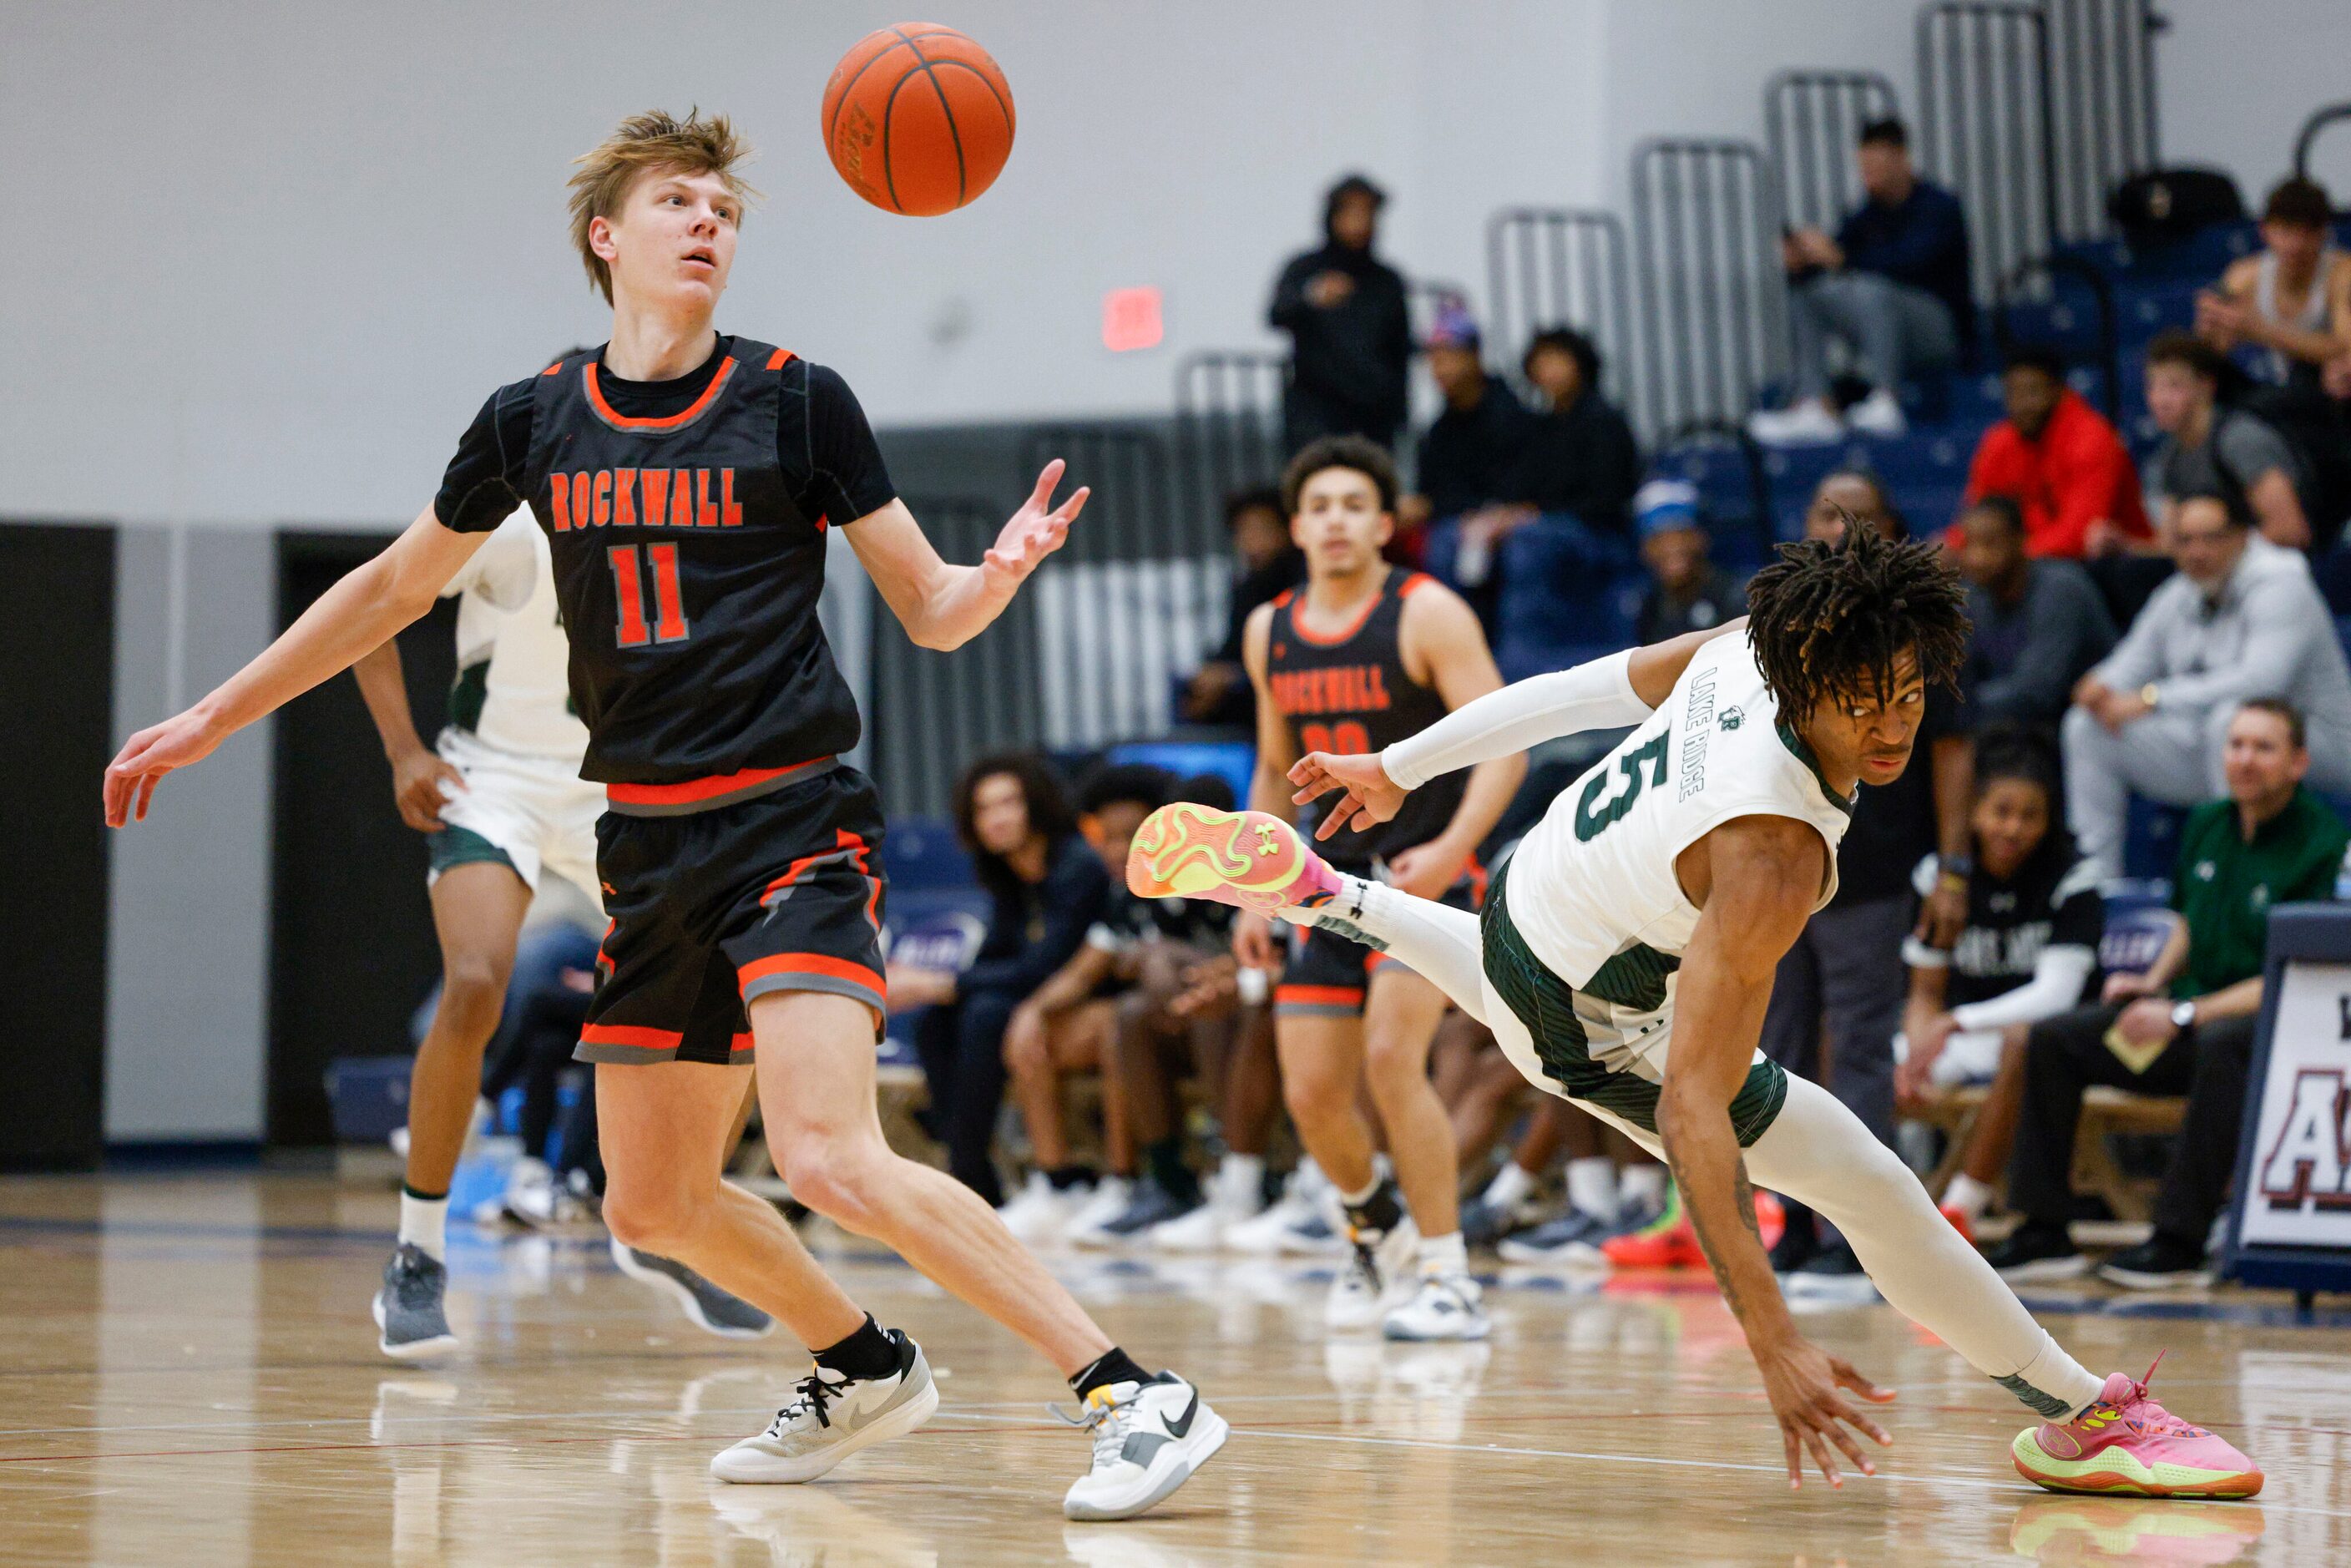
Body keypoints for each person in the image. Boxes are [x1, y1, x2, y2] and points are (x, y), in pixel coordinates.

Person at [102, 109, 1224, 1521]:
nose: (708, 223)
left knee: (823, 1151)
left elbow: (931, 612)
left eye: (724, 208)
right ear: (606, 236)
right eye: (676, 201)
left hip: (792, 819)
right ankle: (862, 1362)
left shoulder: (797, 400)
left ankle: (1133, 1390)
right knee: (653, 1203)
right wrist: (214, 713)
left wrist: (992, 574)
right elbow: (391, 591)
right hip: (647, 840)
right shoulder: (530, 421)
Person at [1134, 520, 2262, 1498]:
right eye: (1861, 704)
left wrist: (1401, 762)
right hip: (1580, 1004)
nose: (1890, 729)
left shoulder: (1757, 643)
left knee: (1515, 980)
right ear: (1808, 679)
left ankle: (1327, 893)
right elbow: (1689, 1109)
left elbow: (1573, 691)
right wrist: (1771, 1338)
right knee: (1867, 1180)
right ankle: (2089, 1416)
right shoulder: (1770, 856)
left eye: (1909, 695)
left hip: (1541, 882)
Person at [351, 458, 769, 1354]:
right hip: (490, 779)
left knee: (730, 984)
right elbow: (367, 609)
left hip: (610, 790)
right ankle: (417, 1256)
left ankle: (672, 1224)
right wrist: (402, 753)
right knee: (475, 980)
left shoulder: (682, 540)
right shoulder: (506, 525)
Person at [1238, 435, 1525, 1339]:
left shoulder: (1428, 612)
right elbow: (1273, 766)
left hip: (1421, 872)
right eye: (1318, 504)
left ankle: (1448, 1277)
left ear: (1386, 524)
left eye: (1353, 504)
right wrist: (1249, 888)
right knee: (1312, 1095)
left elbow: (1506, 743)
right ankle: (1373, 1225)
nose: (1334, 519)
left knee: (1390, 1062)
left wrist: (1450, 850)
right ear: (1295, 525)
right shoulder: (1267, 630)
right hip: (1318, 881)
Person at [1992, 701, 2348, 1288]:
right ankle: (2042, 1230)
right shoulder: (2207, 822)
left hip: (2268, 1037)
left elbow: (2296, 972)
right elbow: (2186, 922)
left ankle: (2179, 1240)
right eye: (2236, 745)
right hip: (2185, 1018)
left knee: (2223, 1043)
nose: (2245, 760)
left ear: (2298, 762)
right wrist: (2152, 981)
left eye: (2263, 747)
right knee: (2056, 1039)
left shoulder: (2324, 845)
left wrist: (2184, 1012)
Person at [1756, 475, 1974, 1287]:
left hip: (1873, 868)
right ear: (1804, 529)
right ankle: (1794, 1229)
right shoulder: (1778, 628)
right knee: (1774, 1052)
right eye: (1823, 511)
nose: (1840, 526)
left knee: (1855, 1049)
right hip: (1774, 868)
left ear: (1886, 530)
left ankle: (1859, 1240)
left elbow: (1952, 752)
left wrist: (1951, 867)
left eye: (1859, 515)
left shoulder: (1919, 630)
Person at [2063, 488, 2351, 881]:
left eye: (2211, 538)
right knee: (2086, 727)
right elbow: (2131, 664)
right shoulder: (2178, 592)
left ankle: (2234, 876)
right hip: (2224, 749)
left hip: (2320, 747)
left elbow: (2260, 683)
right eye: (2185, 540)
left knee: (2234, 722)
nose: (2197, 552)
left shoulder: (2284, 587)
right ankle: (2095, 887)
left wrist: (2152, 698)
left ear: (2243, 537)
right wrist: (2098, 687)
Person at [1893, 730, 2103, 1232]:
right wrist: (1920, 1042)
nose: (2013, 828)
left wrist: (1952, 1024)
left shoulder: (2073, 876)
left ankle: (1960, 1210)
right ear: (1974, 813)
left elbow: (2056, 995)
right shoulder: (1939, 881)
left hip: (2046, 1044)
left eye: (2030, 815)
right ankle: (1842, 1215)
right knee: (1871, 1060)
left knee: (2021, 1043)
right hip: (1959, 1036)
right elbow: (1924, 990)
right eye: (2001, 811)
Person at [897, 756, 1106, 1209]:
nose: (997, 818)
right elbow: (998, 958)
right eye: (984, 809)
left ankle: (968, 1173)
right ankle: (970, 1169)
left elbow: (1044, 966)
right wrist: (938, 988)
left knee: (984, 1012)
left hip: (1085, 1000)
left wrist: (941, 982)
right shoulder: (1007, 874)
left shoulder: (1078, 866)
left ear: (1036, 803)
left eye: (1009, 803)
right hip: (1033, 1001)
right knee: (935, 1022)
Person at [1750, 118, 1971, 444]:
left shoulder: (1939, 207)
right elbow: (1834, 265)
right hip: (1882, 325)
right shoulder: (1865, 216)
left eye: (1877, 167)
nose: (1870, 177)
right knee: (1809, 293)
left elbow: (1908, 263)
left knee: (1872, 287)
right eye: (1865, 169)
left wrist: (1841, 258)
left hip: (1938, 330)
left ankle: (1886, 397)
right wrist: (1803, 262)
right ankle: (1815, 403)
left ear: (1901, 159)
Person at [2197, 176, 2351, 550]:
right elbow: (2209, 352)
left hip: (2320, 407)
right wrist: (2213, 328)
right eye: (2285, 232)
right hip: (2273, 401)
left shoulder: (2341, 274)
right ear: (2266, 232)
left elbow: (2346, 348)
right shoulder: (2245, 276)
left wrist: (2260, 330)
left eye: (2306, 233)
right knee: (2206, 383)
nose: (2295, 245)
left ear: (2323, 235)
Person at [1960, 343, 2150, 560]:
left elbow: (2081, 535)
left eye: (2032, 392)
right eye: (2013, 393)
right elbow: (1977, 515)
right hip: (2027, 560)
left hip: (2109, 564)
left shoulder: (2093, 438)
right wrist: (1955, 547)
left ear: (2058, 390)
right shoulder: (1999, 440)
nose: (2022, 405)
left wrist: (2007, 556)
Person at [1268, 173, 1412, 455]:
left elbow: (1400, 349)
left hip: (1373, 414)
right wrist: (1311, 296)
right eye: (1351, 212)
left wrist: (1400, 411)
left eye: (1367, 213)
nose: (1359, 223)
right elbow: (1276, 314)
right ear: (1332, 216)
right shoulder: (1305, 268)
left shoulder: (1387, 281)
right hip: (1316, 412)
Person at [1953, 496, 2117, 731]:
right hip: (2011, 725)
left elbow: (2036, 692)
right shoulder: (1972, 596)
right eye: (1968, 544)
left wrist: (1954, 707)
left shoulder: (2060, 589)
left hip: (2086, 724)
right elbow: (1956, 673)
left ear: (2020, 540)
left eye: (1989, 544)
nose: (1976, 558)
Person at [2144, 331, 2312, 550]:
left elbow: (2290, 530)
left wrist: (2217, 550)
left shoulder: (2240, 440)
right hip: (2214, 571)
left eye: (2174, 386)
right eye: (2152, 386)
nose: (2160, 400)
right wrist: (2125, 546)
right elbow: (2170, 545)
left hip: (2271, 566)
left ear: (2206, 386)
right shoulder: (2169, 457)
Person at [1182, 487, 1303, 726]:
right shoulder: (1247, 588)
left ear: (1288, 531)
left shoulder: (1303, 582)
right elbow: (1234, 647)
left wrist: (1231, 677)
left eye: (1262, 529)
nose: (1252, 540)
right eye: (1243, 531)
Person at [1519, 326, 1644, 543]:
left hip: (1601, 531)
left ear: (1581, 365)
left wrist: (1541, 513)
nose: (1551, 371)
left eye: (1559, 361)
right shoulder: (1541, 425)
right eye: (1543, 363)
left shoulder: (1604, 420)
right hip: (1554, 524)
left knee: (1529, 540)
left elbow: (1607, 498)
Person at [1631, 480, 1746, 646]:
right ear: (1645, 549)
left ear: (1701, 538)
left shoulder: (1735, 598)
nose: (1673, 547)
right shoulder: (1649, 609)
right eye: (1659, 538)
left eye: (1682, 534)